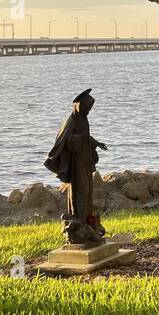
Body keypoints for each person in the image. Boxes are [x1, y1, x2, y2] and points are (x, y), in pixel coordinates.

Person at [44, 88, 108, 244]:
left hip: (85, 162)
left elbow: (85, 136)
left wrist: (96, 143)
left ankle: (88, 220)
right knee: (79, 190)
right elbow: (65, 140)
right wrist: (80, 141)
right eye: (87, 107)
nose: (89, 110)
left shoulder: (82, 119)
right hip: (76, 164)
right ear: (81, 106)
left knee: (87, 191)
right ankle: (78, 219)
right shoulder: (71, 121)